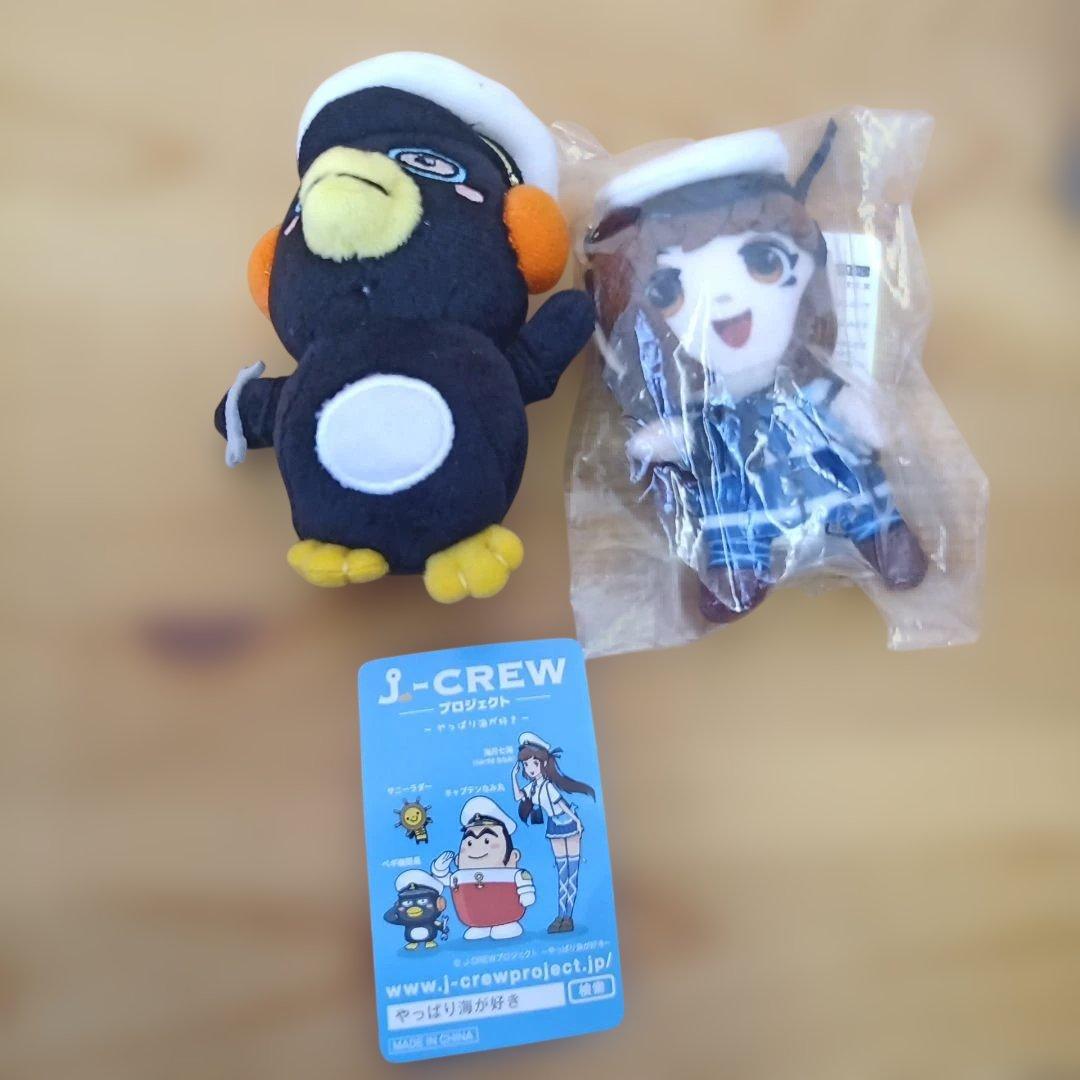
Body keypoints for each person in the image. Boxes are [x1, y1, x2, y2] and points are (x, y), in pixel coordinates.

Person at [512, 732, 595, 933]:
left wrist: (577, 822)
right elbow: (518, 796)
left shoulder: (549, 787)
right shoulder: (532, 788)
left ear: (543, 763)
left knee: (572, 872)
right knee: (561, 872)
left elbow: (563, 806)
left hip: (569, 823)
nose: (530, 769)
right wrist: (513, 776)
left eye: (534, 763)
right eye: (526, 765)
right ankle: (560, 915)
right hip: (554, 827)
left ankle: (568, 917)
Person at [430, 796, 535, 940]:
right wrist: (439, 869)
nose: (476, 849)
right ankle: (479, 927)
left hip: (508, 914)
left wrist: (527, 894)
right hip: (473, 919)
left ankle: (507, 925)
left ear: (513, 857)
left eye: (486, 841)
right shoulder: (460, 877)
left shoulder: (513, 874)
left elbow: (525, 884)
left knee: (505, 929)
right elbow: (444, 879)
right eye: (469, 843)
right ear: (458, 860)